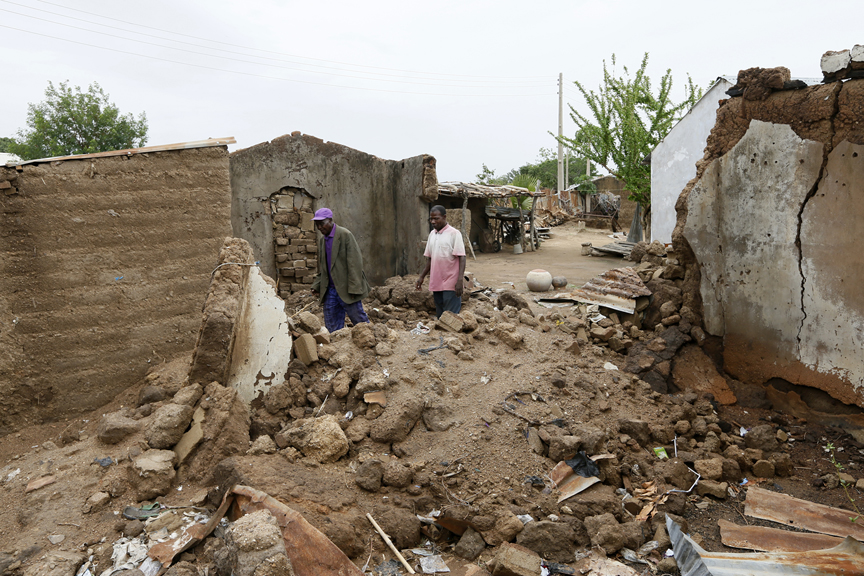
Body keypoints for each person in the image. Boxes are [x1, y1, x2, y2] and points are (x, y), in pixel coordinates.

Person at [309, 208, 371, 332]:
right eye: (317, 225)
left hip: (346, 288)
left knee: (360, 322)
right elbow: (324, 267)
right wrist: (317, 285)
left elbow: (355, 264)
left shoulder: (345, 235)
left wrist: (354, 287)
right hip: (330, 290)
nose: (320, 227)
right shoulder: (323, 241)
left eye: (322, 224)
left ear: (330, 220)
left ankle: (371, 341)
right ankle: (336, 348)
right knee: (332, 326)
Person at [415, 205, 466, 317]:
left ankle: (452, 335)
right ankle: (442, 335)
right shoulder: (432, 234)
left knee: (451, 316)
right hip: (436, 281)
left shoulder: (454, 233)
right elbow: (430, 258)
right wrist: (421, 277)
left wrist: (460, 280)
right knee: (440, 314)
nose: (433, 221)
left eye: (436, 218)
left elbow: (462, 257)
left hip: (451, 282)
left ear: (444, 217)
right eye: (431, 219)